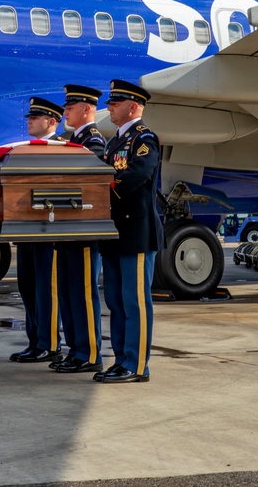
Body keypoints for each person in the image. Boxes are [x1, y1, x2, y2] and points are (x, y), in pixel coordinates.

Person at [95, 79, 163, 384]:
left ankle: (136, 365)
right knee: (116, 300)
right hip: (114, 232)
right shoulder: (113, 143)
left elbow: (136, 174)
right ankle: (121, 359)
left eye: (115, 102)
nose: (109, 106)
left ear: (133, 106)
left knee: (134, 301)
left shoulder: (144, 139)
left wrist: (101, 189)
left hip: (135, 231)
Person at [52, 84, 107, 374]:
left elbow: (90, 183)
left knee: (82, 292)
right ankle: (76, 349)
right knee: (69, 290)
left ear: (87, 109)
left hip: (83, 228)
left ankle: (89, 353)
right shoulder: (74, 139)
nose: (65, 112)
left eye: (70, 107)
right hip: (68, 227)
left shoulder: (93, 141)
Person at [11, 97, 65, 364]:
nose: (29, 120)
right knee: (28, 287)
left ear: (52, 121)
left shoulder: (63, 149)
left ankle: (50, 343)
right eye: (29, 117)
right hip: (27, 229)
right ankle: (35, 340)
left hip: (48, 230)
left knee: (46, 288)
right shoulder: (26, 149)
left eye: (35, 117)